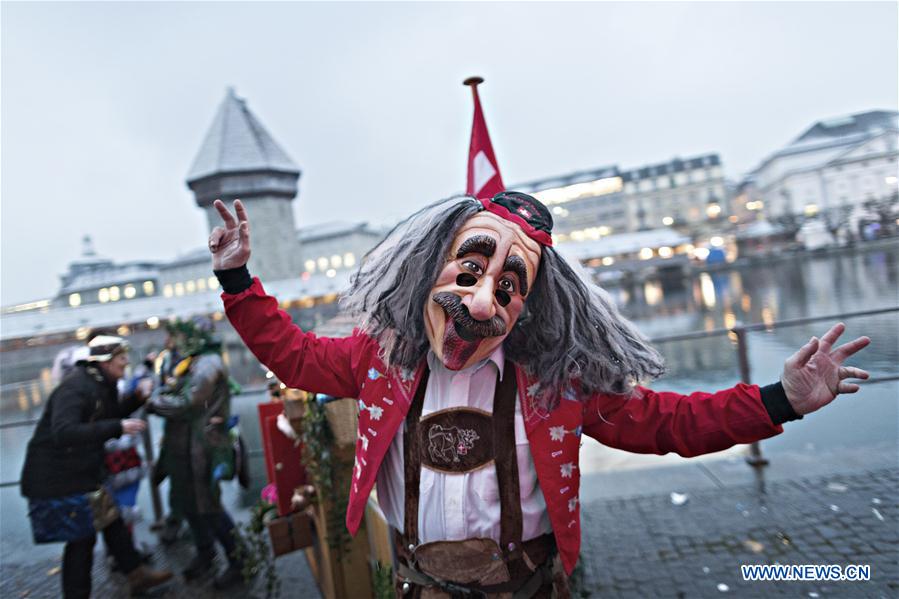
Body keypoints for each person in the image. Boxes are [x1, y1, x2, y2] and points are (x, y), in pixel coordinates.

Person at [209, 194, 871, 597]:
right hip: (418, 589)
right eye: (468, 270)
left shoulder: (555, 382)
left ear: (526, 305)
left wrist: (777, 399)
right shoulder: (376, 358)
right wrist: (238, 278)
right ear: (428, 267)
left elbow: (668, 421)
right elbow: (290, 352)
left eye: (505, 286)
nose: (478, 300)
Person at [20, 335, 173, 598]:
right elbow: (64, 432)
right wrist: (118, 427)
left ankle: (137, 575)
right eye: (121, 360)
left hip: (80, 472)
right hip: (59, 476)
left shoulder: (101, 383)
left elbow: (109, 415)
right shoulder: (76, 387)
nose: (126, 364)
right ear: (104, 362)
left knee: (111, 520)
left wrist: (136, 398)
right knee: (82, 540)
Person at [149, 317, 244, 589]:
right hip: (187, 448)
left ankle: (239, 561)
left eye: (178, 337)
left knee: (209, 506)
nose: (173, 343)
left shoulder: (207, 364)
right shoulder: (193, 362)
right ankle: (206, 553)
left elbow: (187, 402)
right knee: (190, 504)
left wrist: (152, 399)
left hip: (203, 448)